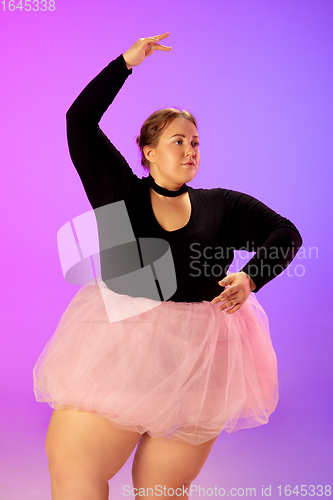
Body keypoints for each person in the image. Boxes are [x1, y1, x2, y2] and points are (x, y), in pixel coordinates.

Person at [33, 34, 302, 500]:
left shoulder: (223, 206)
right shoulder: (118, 191)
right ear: (149, 151)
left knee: (163, 491)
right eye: (179, 141)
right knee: (73, 469)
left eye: (196, 142)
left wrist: (251, 275)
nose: (191, 149)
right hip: (119, 347)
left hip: (199, 361)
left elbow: (286, 234)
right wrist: (126, 63)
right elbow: (79, 121)